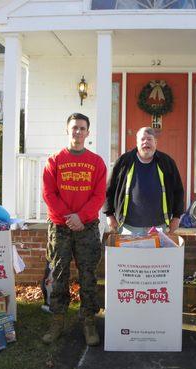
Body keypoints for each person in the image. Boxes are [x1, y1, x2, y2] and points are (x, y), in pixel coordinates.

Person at [41, 113, 107, 346]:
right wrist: (69, 218)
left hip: (87, 227)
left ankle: (88, 320)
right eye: (74, 128)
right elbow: (49, 195)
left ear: (88, 133)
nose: (77, 132)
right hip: (60, 226)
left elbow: (99, 196)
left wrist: (81, 217)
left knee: (88, 274)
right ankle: (57, 319)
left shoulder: (96, 162)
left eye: (82, 128)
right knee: (58, 272)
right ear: (66, 130)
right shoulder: (54, 161)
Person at [104, 127, 184, 234]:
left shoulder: (167, 162)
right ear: (137, 143)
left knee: (157, 252)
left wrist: (177, 217)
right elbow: (109, 189)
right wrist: (109, 215)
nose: (146, 142)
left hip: (159, 226)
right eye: (142, 139)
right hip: (128, 226)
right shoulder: (124, 162)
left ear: (155, 142)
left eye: (149, 139)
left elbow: (178, 191)